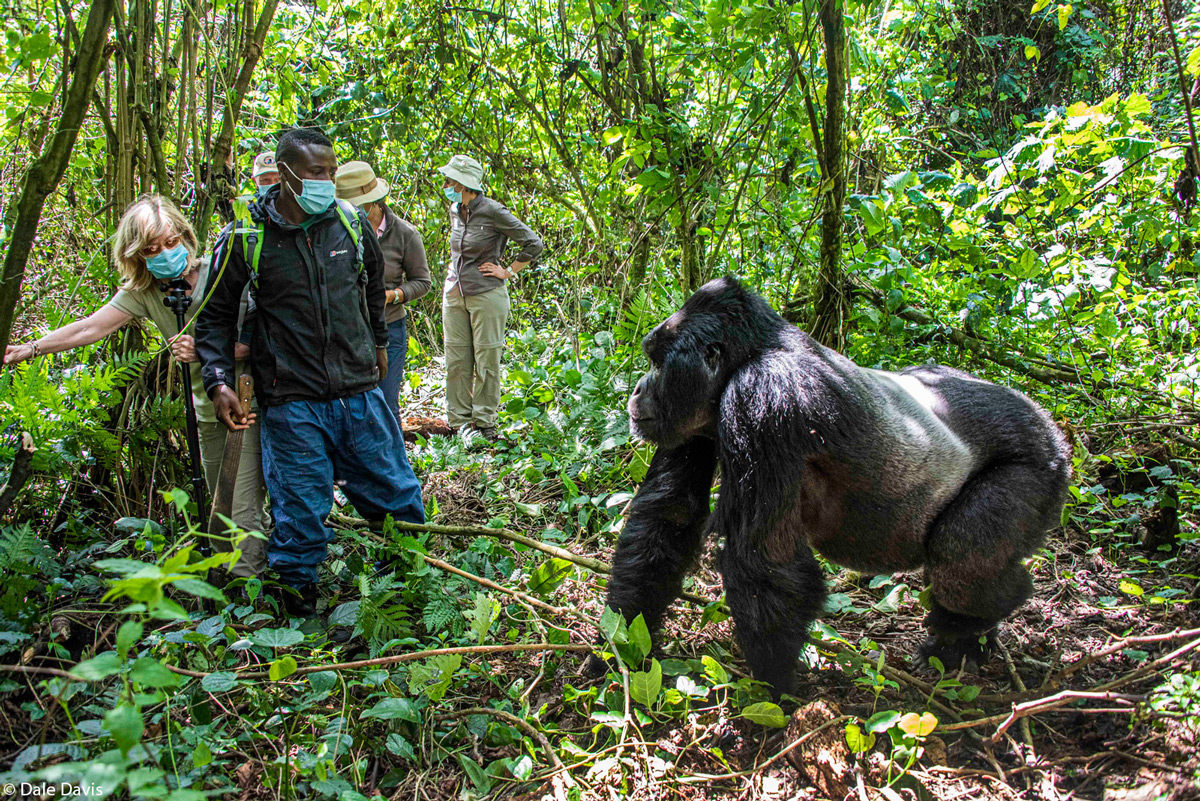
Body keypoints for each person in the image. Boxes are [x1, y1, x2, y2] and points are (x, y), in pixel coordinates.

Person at [196, 127, 425, 619]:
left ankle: (410, 593)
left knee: (396, 496)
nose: (327, 180)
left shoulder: (347, 221)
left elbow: (369, 291)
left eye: (331, 169)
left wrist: (379, 345)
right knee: (299, 515)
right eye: (317, 172)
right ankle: (297, 615)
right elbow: (213, 317)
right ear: (285, 175)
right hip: (290, 400)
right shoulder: (243, 240)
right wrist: (216, 382)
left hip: (360, 393)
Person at [3, 195, 269, 576]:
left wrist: (212, 351)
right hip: (209, 411)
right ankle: (232, 590)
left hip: (255, 399)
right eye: (152, 249)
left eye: (171, 242)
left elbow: (268, 329)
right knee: (223, 505)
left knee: (249, 507)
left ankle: (251, 597)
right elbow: (90, 326)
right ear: (137, 254)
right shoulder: (144, 291)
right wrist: (29, 348)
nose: (164, 253)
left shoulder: (222, 269)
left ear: (186, 236)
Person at [437, 155, 543, 442]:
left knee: (487, 360)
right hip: (455, 291)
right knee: (457, 360)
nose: (445, 185)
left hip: (486, 293)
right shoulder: (454, 209)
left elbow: (533, 243)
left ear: (464, 184)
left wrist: (507, 271)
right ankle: (458, 423)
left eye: (450, 181)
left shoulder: (493, 211)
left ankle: (485, 423)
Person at [335, 162, 431, 424]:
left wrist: (394, 295)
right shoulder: (336, 230)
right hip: (348, 332)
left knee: (386, 403)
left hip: (389, 327)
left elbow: (422, 281)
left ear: (374, 203)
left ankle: (393, 463)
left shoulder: (404, 234)